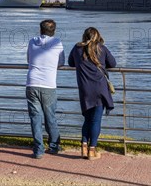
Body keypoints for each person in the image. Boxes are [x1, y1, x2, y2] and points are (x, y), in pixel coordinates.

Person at [68, 27, 116, 160]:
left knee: (87, 119)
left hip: (85, 90)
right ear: (98, 36)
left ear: (84, 36)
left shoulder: (77, 48)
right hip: (100, 89)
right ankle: (92, 150)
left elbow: (71, 63)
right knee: (96, 120)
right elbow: (113, 63)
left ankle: (84, 147)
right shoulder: (101, 48)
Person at [26, 19, 65, 159]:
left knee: (35, 118)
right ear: (53, 31)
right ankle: (54, 146)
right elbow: (61, 63)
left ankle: (38, 150)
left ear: (40, 30)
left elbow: (28, 59)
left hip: (32, 83)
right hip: (48, 84)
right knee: (51, 117)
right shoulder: (57, 43)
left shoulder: (32, 42)